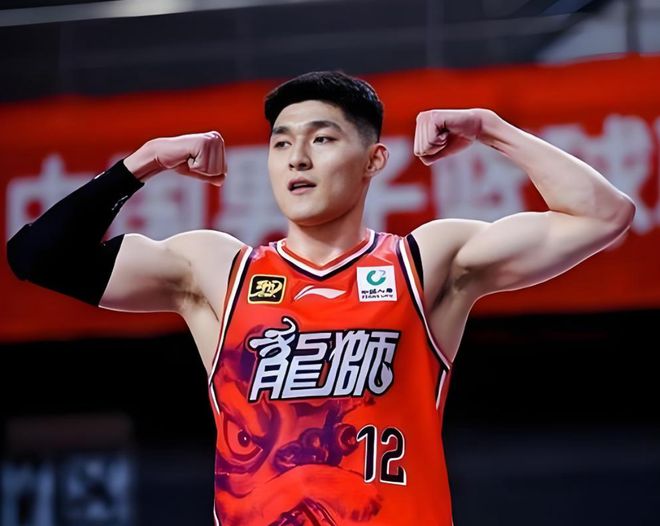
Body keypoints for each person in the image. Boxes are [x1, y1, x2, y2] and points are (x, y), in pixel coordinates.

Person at [7, 71, 635, 526]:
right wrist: (142, 163)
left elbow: (604, 216)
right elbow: (36, 257)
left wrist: (490, 128)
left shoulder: (425, 262)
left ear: (374, 160)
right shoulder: (218, 270)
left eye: (323, 139)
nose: (297, 158)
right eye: (281, 142)